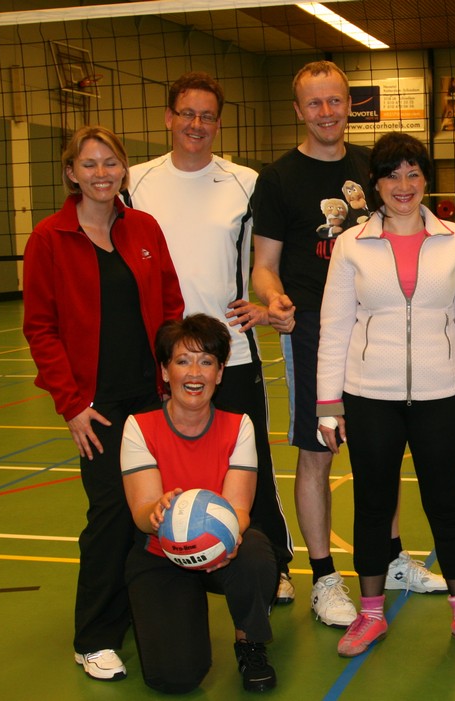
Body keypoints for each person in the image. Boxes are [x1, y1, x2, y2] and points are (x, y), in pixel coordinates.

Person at [252, 61, 444, 628]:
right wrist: (275, 298)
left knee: (382, 451)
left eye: (335, 101)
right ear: (298, 110)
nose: (327, 112)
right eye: (315, 103)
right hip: (316, 328)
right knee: (318, 451)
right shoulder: (279, 178)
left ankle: (391, 558)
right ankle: (324, 576)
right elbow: (263, 265)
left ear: (349, 105)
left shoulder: (373, 165)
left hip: (377, 326)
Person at [316, 132, 455, 658]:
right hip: (368, 396)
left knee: (446, 504)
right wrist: (328, 404)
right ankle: (370, 615)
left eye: (413, 173)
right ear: (375, 184)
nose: (404, 185)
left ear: (426, 180)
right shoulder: (352, 244)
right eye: (392, 174)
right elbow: (335, 326)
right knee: (373, 504)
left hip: (442, 395)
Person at [127, 71, 295, 604]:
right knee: (154, 461)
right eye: (187, 113)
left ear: (218, 124)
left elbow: (269, 255)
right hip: (162, 353)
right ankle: (155, 569)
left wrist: (266, 301)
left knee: (252, 460)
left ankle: (274, 565)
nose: (196, 124)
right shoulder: (134, 182)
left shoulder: (245, 181)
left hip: (231, 350)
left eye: (207, 116)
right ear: (168, 118)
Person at [22, 125, 183, 681]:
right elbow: (40, 328)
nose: (100, 173)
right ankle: (93, 636)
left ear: (123, 168)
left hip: (150, 398)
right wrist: (71, 404)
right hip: (97, 407)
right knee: (112, 516)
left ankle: (139, 610)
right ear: (71, 172)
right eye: (88, 164)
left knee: (151, 512)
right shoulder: (49, 238)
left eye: (110, 162)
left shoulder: (143, 227)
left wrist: (172, 375)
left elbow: (170, 304)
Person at [121, 314, 278, 693]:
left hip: (222, 549)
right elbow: (142, 512)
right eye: (182, 361)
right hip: (160, 554)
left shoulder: (239, 425)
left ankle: (249, 642)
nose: (195, 373)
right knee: (175, 678)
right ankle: (162, 609)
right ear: (165, 371)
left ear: (220, 372)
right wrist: (157, 511)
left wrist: (227, 540)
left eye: (206, 361)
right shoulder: (138, 427)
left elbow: (239, 508)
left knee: (256, 553)